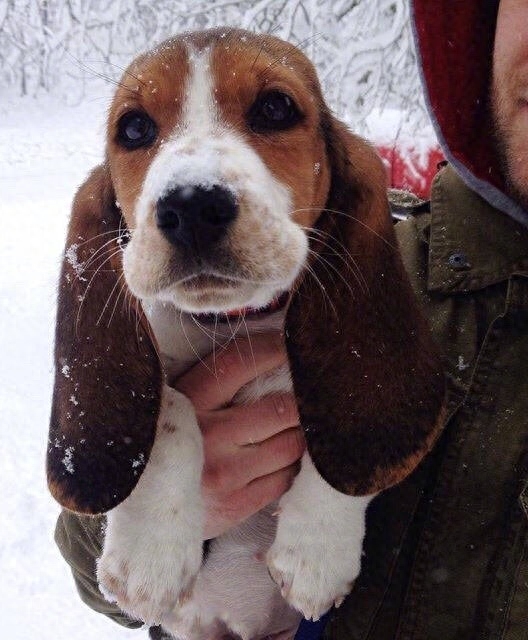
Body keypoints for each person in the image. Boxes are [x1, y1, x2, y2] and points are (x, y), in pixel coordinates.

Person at [54, 1, 528, 637]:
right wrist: (150, 482)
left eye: (273, 112)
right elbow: (103, 551)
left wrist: (332, 497)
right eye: (138, 131)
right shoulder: (423, 252)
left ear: (333, 170)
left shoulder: (370, 273)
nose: (190, 193)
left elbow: (370, 417)